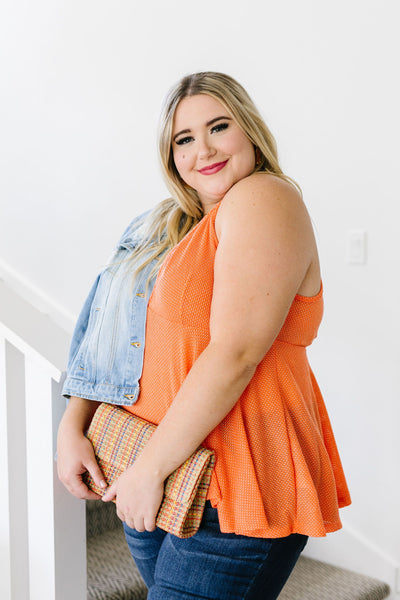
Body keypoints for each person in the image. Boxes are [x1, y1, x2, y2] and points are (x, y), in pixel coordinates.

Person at [57, 71, 351, 599]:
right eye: (184, 139)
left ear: (251, 131)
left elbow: (236, 353)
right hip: (159, 471)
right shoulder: (165, 224)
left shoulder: (263, 197)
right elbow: (107, 327)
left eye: (220, 127)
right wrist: (71, 425)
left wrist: (149, 471)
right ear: (171, 157)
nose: (204, 150)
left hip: (232, 481)